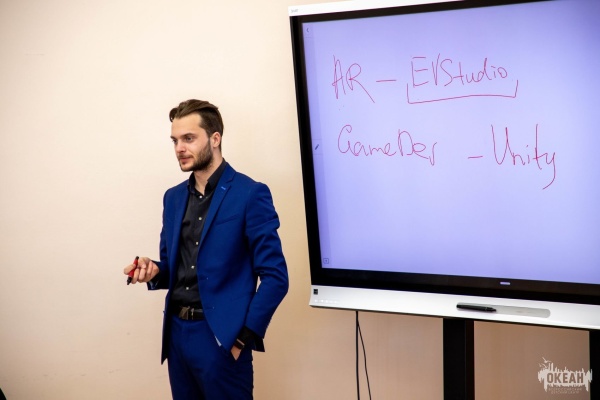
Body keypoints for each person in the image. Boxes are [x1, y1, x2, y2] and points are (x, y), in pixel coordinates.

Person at [123, 99, 289, 400]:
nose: (179, 148)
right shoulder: (172, 198)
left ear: (215, 139)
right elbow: (173, 267)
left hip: (221, 339)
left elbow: (276, 276)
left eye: (188, 138)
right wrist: (153, 270)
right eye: (175, 141)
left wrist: (243, 337)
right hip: (176, 336)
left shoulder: (250, 194)